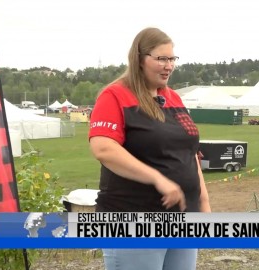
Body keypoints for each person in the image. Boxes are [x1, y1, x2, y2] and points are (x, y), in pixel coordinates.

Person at [88, 27, 211, 270]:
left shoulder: (173, 98)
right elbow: (103, 148)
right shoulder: (115, 96)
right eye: (161, 59)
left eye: (172, 58)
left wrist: (203, 201)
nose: (169, 66)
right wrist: (158, 179)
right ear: (139, 59)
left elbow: (189, 153)